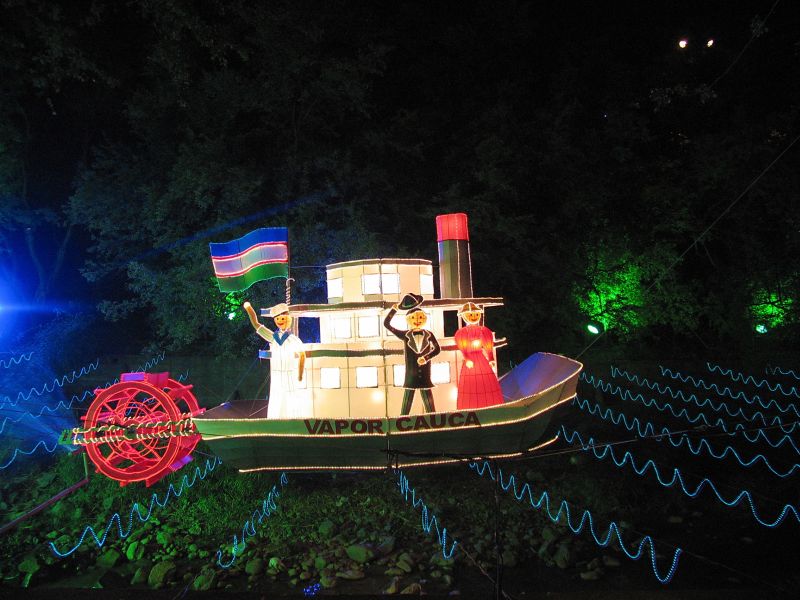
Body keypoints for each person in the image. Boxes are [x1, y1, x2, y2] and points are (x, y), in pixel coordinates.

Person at [244, 301, 310, 418]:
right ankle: (275, 418)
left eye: (282, 318)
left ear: (288, 319)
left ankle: (294, 418)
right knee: (276, 397)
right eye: (277, 319)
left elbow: (302, 355)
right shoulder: (273, 337)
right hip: (276, 374)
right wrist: (249, 308)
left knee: (291, 397)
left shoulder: (293, 339)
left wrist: (300, 374)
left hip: (289, 374)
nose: (280, 321)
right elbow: (256, 324)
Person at [383, 293, 441, 415]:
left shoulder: (429, 334)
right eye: (414, 318)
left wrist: (426, 357)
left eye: (420, 318)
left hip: (425, 374)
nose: (417, 321)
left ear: (424, 319)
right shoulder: (405, 335)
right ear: (408, 320)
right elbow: (387, 324)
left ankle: (433, 419)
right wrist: (394, 310)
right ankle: (402, 420)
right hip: (410, 375)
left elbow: (437, 349)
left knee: (429, 403)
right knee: (407, 402)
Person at [454, 302, 503, 409]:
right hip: (470, 360)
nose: (473, 316)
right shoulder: (462, 333)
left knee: (486, 381)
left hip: (481, 359)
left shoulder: (484, 330)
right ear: (464, 316)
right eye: (470, 314)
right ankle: (469, 406)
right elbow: (463, 347)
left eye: (476, 314)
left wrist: (491, 358)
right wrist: (467, 358)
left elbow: (488, 345)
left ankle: (491, 404)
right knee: (471, 384)